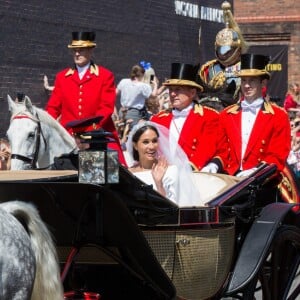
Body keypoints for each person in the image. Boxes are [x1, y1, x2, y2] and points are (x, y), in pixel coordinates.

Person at [203, 53, 291, 177]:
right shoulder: (226, 115)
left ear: (263, 83)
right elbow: (222, 150)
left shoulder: (279, 116)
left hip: (263, 181)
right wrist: (214, 164)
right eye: (244, 80)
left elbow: (277, 155)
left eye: (252, 80)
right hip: (230, 179)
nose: (246, 85)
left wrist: (256, 172)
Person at [45, 31, 125, 165]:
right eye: (74, 50)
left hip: (98, 135)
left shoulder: (105, 76)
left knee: (117, 170)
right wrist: (46, 126)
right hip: (68, 136)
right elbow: (53, 108)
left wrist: (89, 134)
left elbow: (106, 108)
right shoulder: (62, 77)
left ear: (91, 50)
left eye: (81, 50)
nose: (77, 54)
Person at [151, 63, 224, 172]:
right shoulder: (158, 119)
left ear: (192, 92)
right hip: (161, 175)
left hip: (192, 175)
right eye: (171, 90)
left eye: (178, 89)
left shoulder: (209, 117)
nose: (172, 94)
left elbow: (206, 148)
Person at [126, 121, 203, 207]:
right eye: (145, 142)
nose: (151, 147)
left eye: (154, 141)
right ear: (135, 145)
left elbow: (171, 208)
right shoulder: (129, 173)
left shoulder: (170, 170)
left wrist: (159, 184)